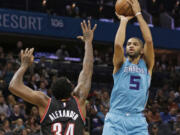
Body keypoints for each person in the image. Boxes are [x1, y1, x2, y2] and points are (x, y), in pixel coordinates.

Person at [9, 20, 97, 135]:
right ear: (72, 91)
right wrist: (88, 43)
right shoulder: (79, 100)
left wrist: (24, 65)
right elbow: (87, 69)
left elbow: (13, 86)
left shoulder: (45, 102)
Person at [102, 0, 155, 134]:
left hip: (137, 120)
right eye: (129, 43)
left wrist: (138, 14)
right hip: (115, 118)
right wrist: (123, 21)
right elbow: (118, 45)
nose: (130, 45)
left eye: (135, 44)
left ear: (142, 50)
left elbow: (148, 40)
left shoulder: (147, 65)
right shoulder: (120, 64)